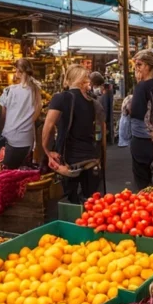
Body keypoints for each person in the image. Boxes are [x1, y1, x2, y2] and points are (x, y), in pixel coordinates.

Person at [43, 65, 101, 203]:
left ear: (68, 79)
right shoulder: (94, 103)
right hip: (91, 158)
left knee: (71, 203)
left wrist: (46, 151)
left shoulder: (61, 98)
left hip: (69, 160)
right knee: (92, 203)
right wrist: (100, 158)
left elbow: (48, 126)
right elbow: (100, 133)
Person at [128, 51, 153, 190]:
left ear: (149, 66)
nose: (137, 68)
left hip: (142, 140)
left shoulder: (142, 87)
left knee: (143, 186)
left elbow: (136, 114)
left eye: (139, 65)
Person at [0, 58, 43, 169]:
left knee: (8, 173)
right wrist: (26, 122)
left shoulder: (9, 91)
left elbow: (3, 115)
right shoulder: (35, 90)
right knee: (22, 173)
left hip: (11, 137)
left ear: (19, 71)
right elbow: (38, 110)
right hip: (27, 139)